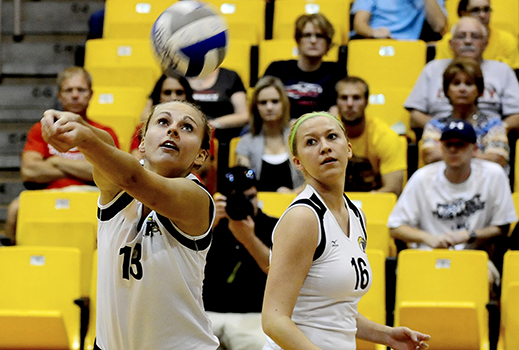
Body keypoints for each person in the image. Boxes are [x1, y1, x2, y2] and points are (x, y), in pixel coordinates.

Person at [41, 100, 219, 349]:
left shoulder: (196, 198)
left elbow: (134, 178)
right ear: (143, 142)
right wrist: (75, 123)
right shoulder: (115, 183)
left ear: (200, 155)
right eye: (163, 121)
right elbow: (108, 148)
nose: (173, 130)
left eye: (187, 127)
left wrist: (84, 139)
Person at [262, 112, 431, 350]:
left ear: (348, 149)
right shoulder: (304, 217)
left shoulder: (354, 214)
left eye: (332, 137)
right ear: (298, 162)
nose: (325, 147)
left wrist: (387, 335)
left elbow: (337, 312)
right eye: (311, 142)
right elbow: (274, 320)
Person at [3, 67, 119, 244]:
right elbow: (29, 171)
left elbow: (110, 173)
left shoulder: (103, 132)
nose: (74, 95)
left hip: (91, 196)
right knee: (14, 210)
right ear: (59, 96)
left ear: (91, 94)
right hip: (47, 195)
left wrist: (55, 161)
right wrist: (85, 170)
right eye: (68, 90)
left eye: (80, 90)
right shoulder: (42, 129)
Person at [388, 120, 516, 252]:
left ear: (474, 149)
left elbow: (503, 226)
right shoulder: (422, 177)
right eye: (448, 145)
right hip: (429, 255)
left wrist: (469, 235)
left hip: (473, 256)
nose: (453, 150)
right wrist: (428, 238)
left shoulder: (493, 174)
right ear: (440, 147)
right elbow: (395, 227)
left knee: (486, 273)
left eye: (460, 145)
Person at [404, 17, 519, 133]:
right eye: (461, 36)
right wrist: (443, 130)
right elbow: (415, 117)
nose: (468, 41)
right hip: (441, 138)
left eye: (475, 36)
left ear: (485, 43)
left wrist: (494, 132)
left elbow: (517, 118)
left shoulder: (502, 70)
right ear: (451, 44)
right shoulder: (432, 69)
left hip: (487, 137)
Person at [204, 166, 277, 350]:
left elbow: (280, 275)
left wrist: (249, 239)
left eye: (250, 197)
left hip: (253, 317)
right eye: (237, 198)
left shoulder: (274, 227)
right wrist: (207, 228)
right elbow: (184, 264)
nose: (245, 203)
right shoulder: (208, 225)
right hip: (207, 315)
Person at [419, 58, 509, 168]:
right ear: (446, 91)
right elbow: (431, 156)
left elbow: (497, 159)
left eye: (469, 84)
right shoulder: (435, 125)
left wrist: (452, 155)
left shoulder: (493, 124)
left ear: (480, 91)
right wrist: (477, 155)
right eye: (456, 84)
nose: (462, 89)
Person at [263, 13, 347, 120]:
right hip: (280, 129)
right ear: (298, 41)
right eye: (307, 35)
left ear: (328, 43)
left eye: (319, 36)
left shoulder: (336, 72)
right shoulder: (277, 69)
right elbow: (263, 104)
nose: (313, 41)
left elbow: (335, 111)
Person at [335, 76, 406, 196]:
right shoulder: (325, 135)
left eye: (356, 98)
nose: (350, 104)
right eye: (344, 98)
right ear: (336, 102)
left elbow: (393, 189)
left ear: (367, 101)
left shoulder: (385, 136)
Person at [235, 76, 304, 192]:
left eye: (275, 101)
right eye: (263, 102)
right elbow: (243, 183)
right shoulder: (245, 142)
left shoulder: (299, 138)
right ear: (256, 107)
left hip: (298, 204)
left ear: (284, 104)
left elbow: (315, 179)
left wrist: (293, 194)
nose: (269, 107)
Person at [188, 67, 250, 175]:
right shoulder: (174, 75)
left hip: (221, 137)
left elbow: (243, 115)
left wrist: (212, 124)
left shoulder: (230, 77)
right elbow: (150, 112)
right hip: (186, 133)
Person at [437, 0, 519, 69]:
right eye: (475, 10)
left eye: (486, 10)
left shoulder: (507, 40)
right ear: (463, 13)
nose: (483, 15)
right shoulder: (448, 41)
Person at [130, 74, 195, 159]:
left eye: (179, 92)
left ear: (187, 96)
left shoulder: (198, 128)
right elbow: (136, 160)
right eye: (167, 93)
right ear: (158, 96)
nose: (173, 97)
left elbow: (203, 165)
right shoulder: (143, 128)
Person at [349, 0, 447, 41]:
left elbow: (439, 26)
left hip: (410, 46)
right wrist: (373, 33)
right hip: (374, 40)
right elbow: (359, 24)